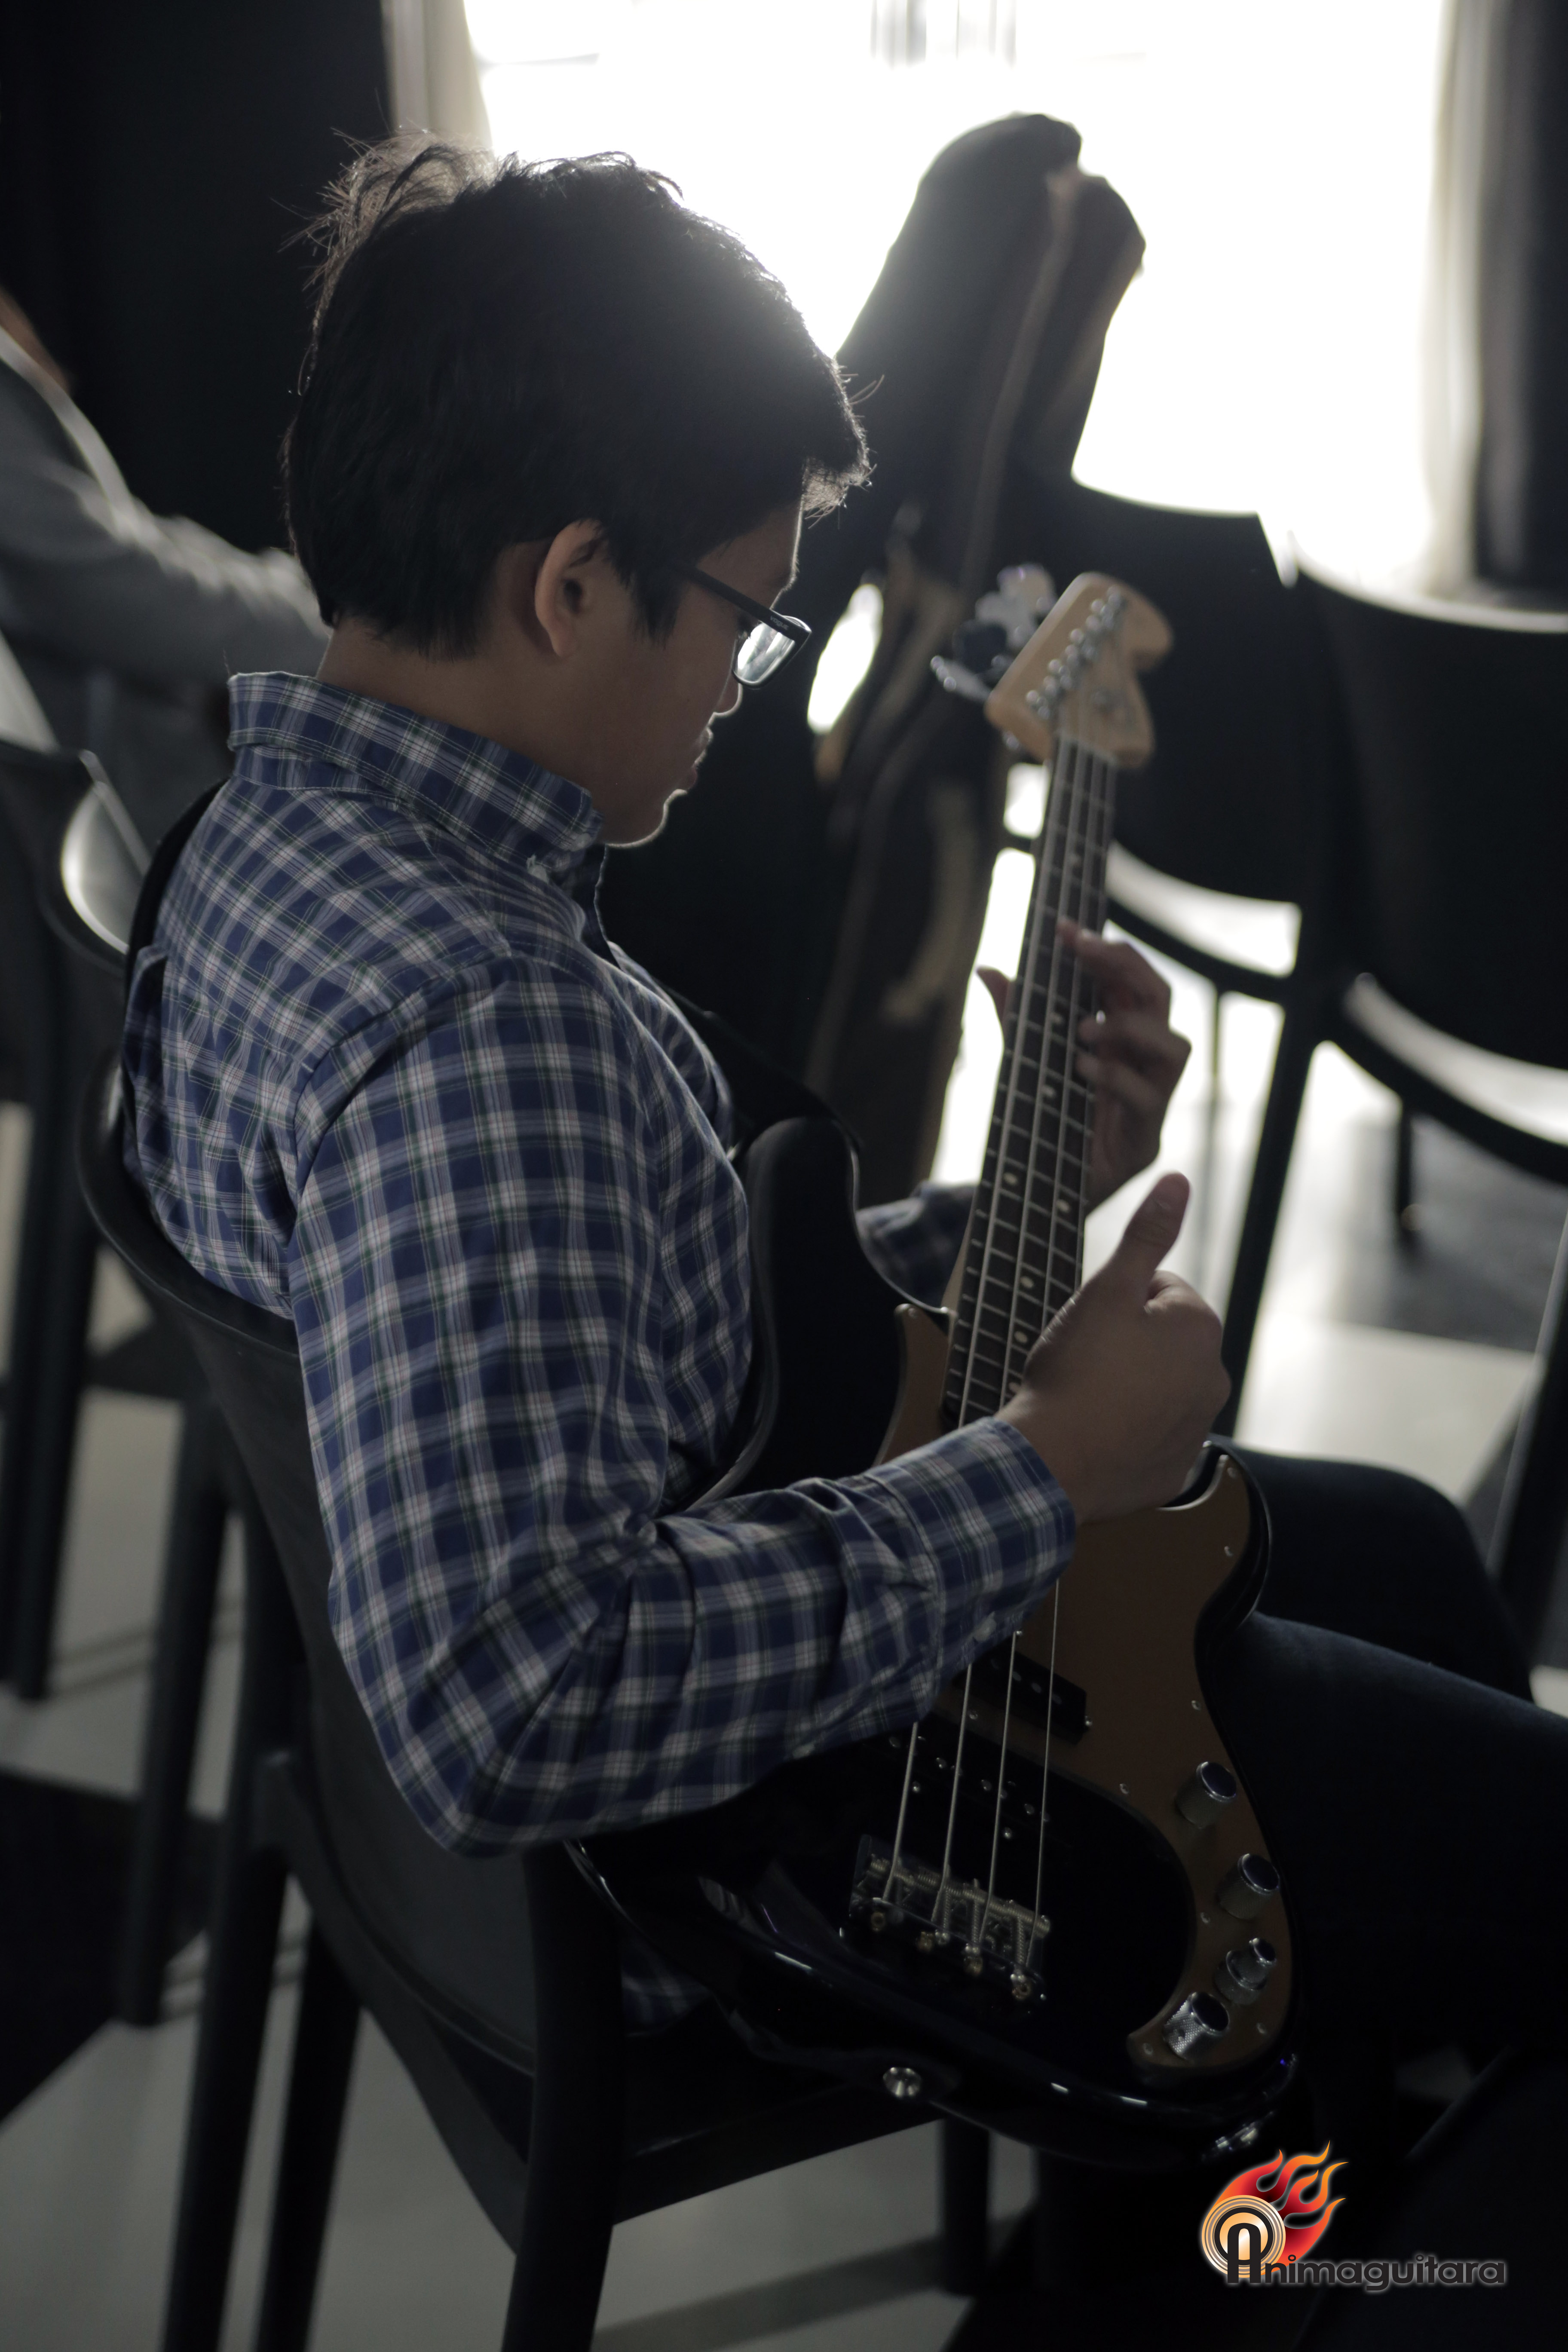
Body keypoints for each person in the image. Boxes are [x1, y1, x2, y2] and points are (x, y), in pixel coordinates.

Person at [119, 142, 1568, 2317]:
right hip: (766, 1837)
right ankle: (1230, 2228)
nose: (749, 675)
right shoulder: (481, 1029)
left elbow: (630, 1308)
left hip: (696, 1662)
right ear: (573, 583)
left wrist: (1018, 1198)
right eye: (748, 610)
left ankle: (1258, 2186)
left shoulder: (280, 839)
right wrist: (1041, 1468)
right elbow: (515, 1695)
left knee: (1415, 1559)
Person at [0, 286, 326, 839]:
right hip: (103, 821)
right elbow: (106, 588)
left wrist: (295, 593)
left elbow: (131, 532)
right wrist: (329, 633)